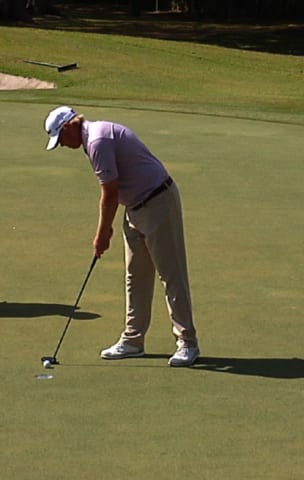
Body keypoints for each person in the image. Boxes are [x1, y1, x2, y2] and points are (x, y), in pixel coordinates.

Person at [43, 106, 200, 367]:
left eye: (61, 138)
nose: (61, 145)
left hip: (158, 201)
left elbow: (110, 193)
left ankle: (188, 343)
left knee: (171, 275)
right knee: (135, 275)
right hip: (136, 208)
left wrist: (102, 233)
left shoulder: (98, 140)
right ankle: (133, 340)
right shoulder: (92, 139)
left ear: (70, 126)